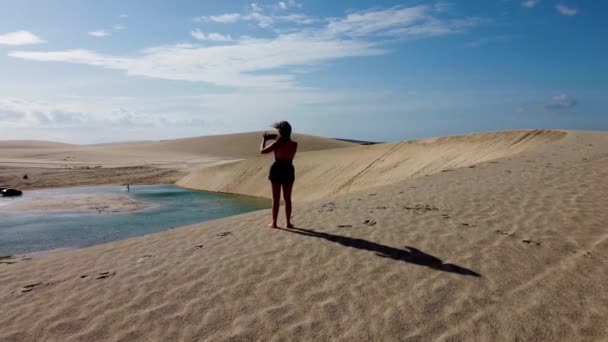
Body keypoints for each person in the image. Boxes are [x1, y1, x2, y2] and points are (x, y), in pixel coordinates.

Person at [260, 121, 298, 228]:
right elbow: (283, 138)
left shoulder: (277, 144)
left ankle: (274, 223)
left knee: (276, 199)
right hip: (289, 169)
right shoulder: (294, 145)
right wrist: (275, 136)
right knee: (287, 199)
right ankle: (288, 223)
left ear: (280, 132)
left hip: (277, 169)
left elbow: (262, 151)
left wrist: (264, 139)